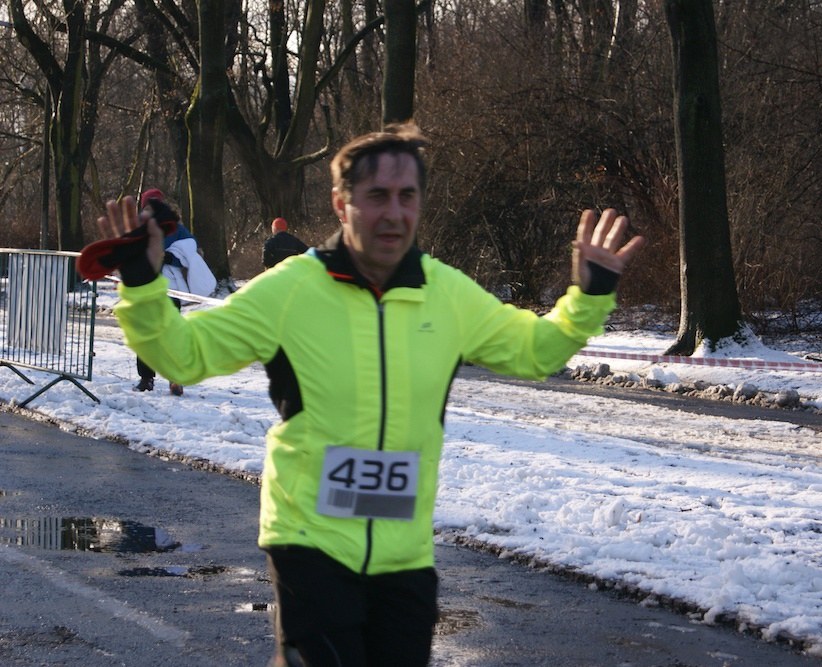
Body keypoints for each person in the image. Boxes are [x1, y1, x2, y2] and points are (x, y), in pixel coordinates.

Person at [94, 124, 644, 666]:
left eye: (407, 196)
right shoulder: (291, 290)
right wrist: (142, 284)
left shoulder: (446, 294)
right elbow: (184, 355)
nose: (393, 212)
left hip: (404, 556)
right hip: (309, 543)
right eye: (377, 196)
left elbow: (536, 352)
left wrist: (589, 296)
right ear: (341, 204)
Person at [132, 188, 216, 396]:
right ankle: (146, 378)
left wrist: (171, 258)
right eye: (149, 206)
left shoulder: (176, 228)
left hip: (170, 290)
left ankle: (175, 379)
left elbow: (193, 253)